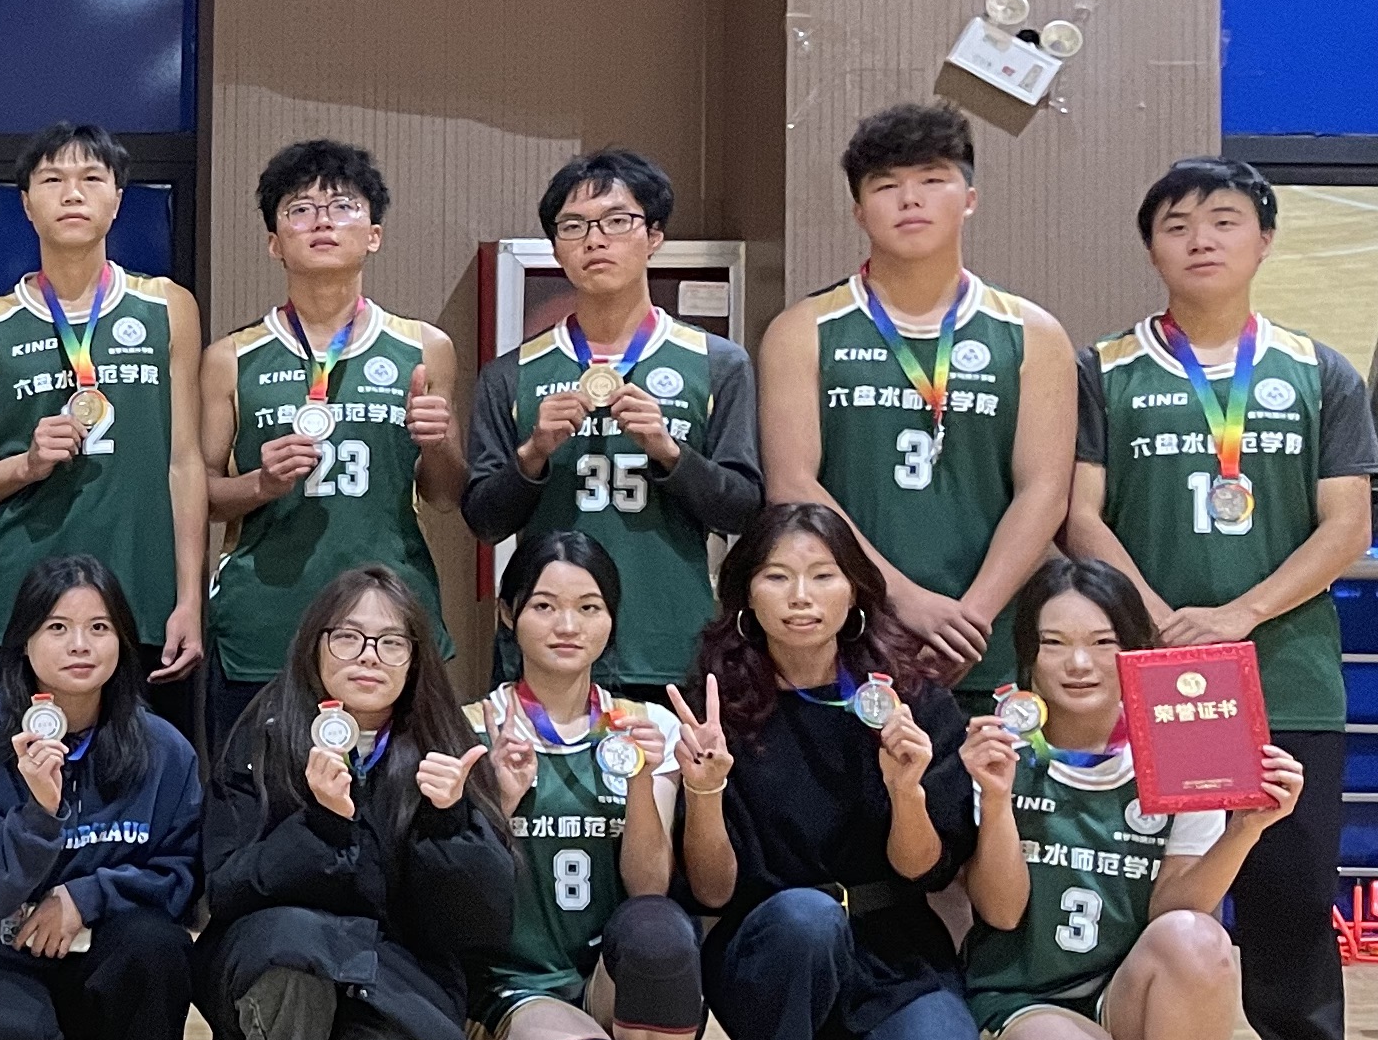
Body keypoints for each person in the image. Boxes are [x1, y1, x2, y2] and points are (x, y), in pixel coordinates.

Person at [1066, 155, 1378, 1040]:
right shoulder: (1105, 369)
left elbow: (1346, 525)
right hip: (1142, 675)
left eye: (1225, 220)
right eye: (1177, 224)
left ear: (1264, 239)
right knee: (1134, 876)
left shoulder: (1320, 372)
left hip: (1286, 670)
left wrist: (1238, 616)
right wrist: (1156, 622)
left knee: (1291, 880)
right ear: (1151, 247)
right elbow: (1080, 511)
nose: (1201, 238)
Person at [961, 556, 1296, 1040]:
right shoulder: (998, 749)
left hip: (1120, 997)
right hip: (1020, 995)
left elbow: (1174, 913)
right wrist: (996, 803)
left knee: (1200, 938)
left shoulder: (1183, 750)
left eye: (1102, 642)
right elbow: (1000, 910)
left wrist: (1246, 830)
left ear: (1136, 652)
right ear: (1028, 658)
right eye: (1054, 643)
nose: (1079, 663)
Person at [671, 502, 985, 1040]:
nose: (801, 597)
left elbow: (925, 869)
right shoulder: (717, 706)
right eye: (777, 576)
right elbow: (713, 891)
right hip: (772, 948)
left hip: (890, 944)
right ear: (745, 594)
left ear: (856, 591)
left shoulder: (911, 701)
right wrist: (705, 791)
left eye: (822, 575)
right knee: (807, 920)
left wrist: (905, 790)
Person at [197, 561, 513, 1040]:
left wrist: (449, 823)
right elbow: (225, 887)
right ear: (314, 646)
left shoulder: (445, 746)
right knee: (294, 940)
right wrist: (321, 824)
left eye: (391, 641)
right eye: (348, 636)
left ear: (415, 660)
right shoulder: (264, 733)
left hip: (389, 985)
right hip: (282, 971)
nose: (369, 655)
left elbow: (484, 922)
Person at [759, 99, 1073, 689]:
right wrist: (903, 600)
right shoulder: (802, 330)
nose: (910, 199)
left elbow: (1045, 492)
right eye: (887, 186)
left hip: (989, 639)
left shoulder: (1035, 333)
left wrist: (971, 618)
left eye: (932, 180)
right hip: (847, 633)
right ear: (859, 211)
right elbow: (792, 485)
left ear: (970, 198)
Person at [469, 531, 721, 1040]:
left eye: (589, 607)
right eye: (545, 606)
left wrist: (644, 781)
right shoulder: (473, 727)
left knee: (661, 927)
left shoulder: (647, 726)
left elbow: (647, 886)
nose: (568, 625)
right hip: (515, 985)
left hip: (606, 977)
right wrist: (500, 799)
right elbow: (461, 888)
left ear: (611, 619)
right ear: (508, 614)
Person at [457, 148, 760, 701]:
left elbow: (743, 509)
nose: (595, 240)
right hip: (548, 648)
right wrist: (534, 453)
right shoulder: (510, 374)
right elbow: (484, 520)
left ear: (654, 235)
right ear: (556, 248)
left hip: (669, 644)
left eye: (617, 221)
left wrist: (670, 452)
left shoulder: (718, 363)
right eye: (574, 226)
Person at [0, 555, 207, 1040]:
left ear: (122, 641)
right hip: (5, 955)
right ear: (25, 644)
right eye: (57, 627)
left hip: (108, 963)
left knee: (157, 945)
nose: (80, 645)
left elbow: (182, 877)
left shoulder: (164, 749)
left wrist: (85, 898)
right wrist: (38, 813)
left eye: (99, 627)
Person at [200, 139, 462, 760]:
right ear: (274, 242)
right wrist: (261, 484)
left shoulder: (425, 347)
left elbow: (447, 495)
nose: (321, 221)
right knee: (258, 799)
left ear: (374, 235)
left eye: (342, 206)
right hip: (268, 619)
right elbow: (199, 494)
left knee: (397, 800)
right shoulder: (230, 358)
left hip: (390, 624)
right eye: (300, 209)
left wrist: (438, 443)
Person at [0, 126, 208, 718]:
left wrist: (190, 598)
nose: (72, 193)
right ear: (26, 202)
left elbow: (184, 462)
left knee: (142, 767)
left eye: (91, 178)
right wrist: (26, 465)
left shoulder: (168, 307)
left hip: (140, 595)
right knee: (8, 762)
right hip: (16, 598)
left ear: (117, 198)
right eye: (52, 180)